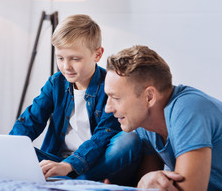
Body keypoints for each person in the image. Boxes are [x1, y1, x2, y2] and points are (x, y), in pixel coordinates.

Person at [10, 15, 142, 184]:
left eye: (75, 59)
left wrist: (69, 165)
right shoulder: (55, 83)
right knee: (16, 148)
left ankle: (72, 178)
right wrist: (10, 148)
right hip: (56, 159)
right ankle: (71, 178)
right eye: (60, 58)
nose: (66, 66)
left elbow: (102, 137)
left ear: (97, 54)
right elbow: (32, 120)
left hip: (94, 160)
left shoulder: (110, 86)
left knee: (129, 142)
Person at [104, 45, 222, 190]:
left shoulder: (188, 109)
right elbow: (151, 185)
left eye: (115, 97)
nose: (108, 108)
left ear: (149, 97)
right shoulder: (145, 125)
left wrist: (141, 184)